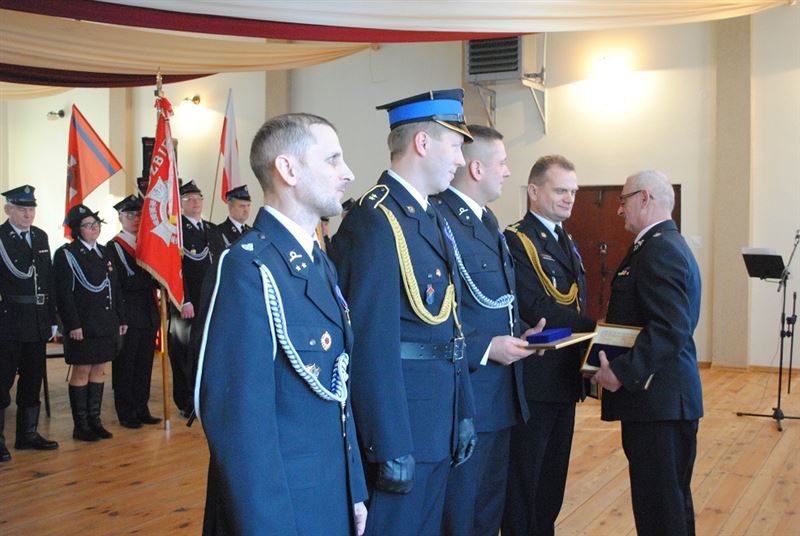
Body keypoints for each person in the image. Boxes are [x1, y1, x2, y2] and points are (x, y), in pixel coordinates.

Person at [196, 113, 367, 535]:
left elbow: (338, 391)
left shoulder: (319, 263)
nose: (347, 173)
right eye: (332, 159)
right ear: (288, 169)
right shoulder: (248, 269)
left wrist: (354, 489)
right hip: (282, 508)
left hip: (329, 492)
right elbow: (238, 425)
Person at [331, 89, 477, 536]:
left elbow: (451, 328)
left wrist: (463, 411)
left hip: (437, 421)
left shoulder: (430, 216)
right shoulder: (375, 219)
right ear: (423, 143)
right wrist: (388, 441)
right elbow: (369, 341)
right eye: (455, 146)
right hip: (403, 430)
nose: (460, 160)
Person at [434, 125, 544, 536]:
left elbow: (493, 304)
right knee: (462, 516)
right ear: (477, 168)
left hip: (500, 395)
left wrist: (524, 333)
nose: (508, 172)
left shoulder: (486, 220)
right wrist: (484, 347)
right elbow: (434, 314)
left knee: (487, 513)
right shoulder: (440, 220)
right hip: (469, 396)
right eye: (502, 163)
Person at [591, 170, 703, 536]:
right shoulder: (660, 245)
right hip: (658, 402)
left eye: (623, 200)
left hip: (659, 404)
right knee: (666, 504)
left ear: (644, 198)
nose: (619, 209)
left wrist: (622, 371)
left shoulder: (660, 249)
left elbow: (671, 328)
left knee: (661, 509)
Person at [502, 155, 596, 536]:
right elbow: (535, 306)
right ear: (534, 191)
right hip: (536, 378)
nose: (569, 199)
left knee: (552, 483)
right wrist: (597, 329)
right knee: (525, 481)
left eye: (573, 191)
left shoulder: (565, 240)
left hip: (565, 377)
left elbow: (572, 300)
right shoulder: (517, 240)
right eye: (560, 191)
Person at [53, 204, 127, 442]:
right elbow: (64, 294)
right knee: (82, 369)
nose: (94, 228)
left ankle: (95, 421)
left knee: (99, 369)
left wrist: (121, 317)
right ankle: (81, 425)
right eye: (88, 225)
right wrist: (72, 324)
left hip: (105, 321)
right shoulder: (67, 254)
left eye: (96, 224)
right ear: (77, 230)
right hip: (82, 324)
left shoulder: (103, 252)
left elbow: (114, 288)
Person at [0, 185, 59, 462]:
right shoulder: (1, 238)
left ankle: (27, 433)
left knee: (33, 378)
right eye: (22, 209)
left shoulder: (40, 236)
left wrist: (52, 318)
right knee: (3, 381)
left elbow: (48, 279)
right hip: (9, 320)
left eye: (31, 209)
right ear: (8, 210)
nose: (28, 214)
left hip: (36, 321)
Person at [169, 180, 224, 417]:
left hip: (210, 303)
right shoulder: (176, 232)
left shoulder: (212, 230)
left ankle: (204, 397)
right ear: (180, 204)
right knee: (183, 353)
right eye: (189, 199)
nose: (195, 203)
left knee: (206, 351)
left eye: (198, 198)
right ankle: (186, 401)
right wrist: (185, 300)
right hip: (186, 304)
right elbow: (174, 269)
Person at [108, 195, 161, 428]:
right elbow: (124, 282)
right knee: (126, 366)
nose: (135, 219)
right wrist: (151, 279)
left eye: (138, 214)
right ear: (120, 218)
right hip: (128, 314)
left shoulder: (148, 244)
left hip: (148, 312)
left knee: (144, 365)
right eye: (129, 215)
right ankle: (126, 411)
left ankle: (141, 407)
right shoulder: (115, 246)